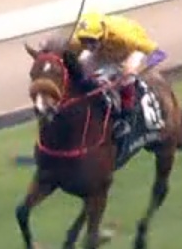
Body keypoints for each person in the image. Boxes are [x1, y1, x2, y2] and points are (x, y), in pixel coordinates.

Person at [68, 11, 169, 154]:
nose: (88, 45)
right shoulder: (78, 41)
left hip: (130, 51)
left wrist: (136, 71)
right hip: (104, 52)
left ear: (103, 33)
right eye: (84, 41)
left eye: (92, 41)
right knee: (82, 67)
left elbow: (159, 54)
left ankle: (126, 118)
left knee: (127, 74)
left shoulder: (126, 37)